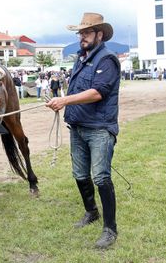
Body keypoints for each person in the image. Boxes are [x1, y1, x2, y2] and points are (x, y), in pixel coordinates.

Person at [46, 12, 120, 249]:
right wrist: (62, 103)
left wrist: (65, 101)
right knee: (79, 174)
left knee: (100, 176)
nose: (82, 37)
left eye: (87, 33)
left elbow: (99, 92)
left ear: (100, 34)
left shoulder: (107, 59)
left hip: (99, 128)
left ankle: (110, 229)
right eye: (81, 33)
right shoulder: (81, 58)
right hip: (77, 126)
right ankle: (91, 211)